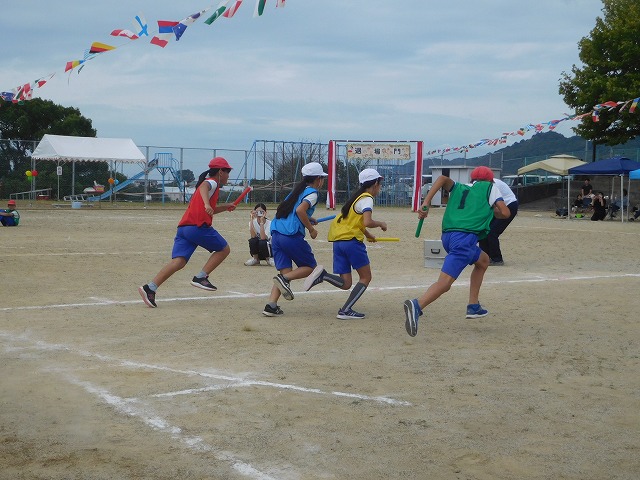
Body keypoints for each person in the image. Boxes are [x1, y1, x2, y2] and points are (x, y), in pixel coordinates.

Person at [403, 166, 510, 337]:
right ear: (490, 179)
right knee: (445, 283)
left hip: (448, 236)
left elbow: (442, 179)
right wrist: (492, 211)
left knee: (483, 261)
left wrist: (426, 202)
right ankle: (417, 305)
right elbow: (505, 212)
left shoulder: (461, 187)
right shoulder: (491, 187)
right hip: (464, 240)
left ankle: (473, 306)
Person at [138, 157, 237, 308]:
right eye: (227, 172)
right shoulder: (212, 182)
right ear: (220, 172)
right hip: (198, 227)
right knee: (224, 249)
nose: (228, 175)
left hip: (184, 228)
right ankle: (201, 277)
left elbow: (210, 210)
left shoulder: (209, 187)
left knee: (179, 262)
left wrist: (225, 207)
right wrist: (206, 203)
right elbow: (205, 187)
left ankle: (150, 288)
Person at [302, 168, 387, 319]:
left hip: (339, 242)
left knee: (346, 283)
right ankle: (346, 309)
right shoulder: (367, 198)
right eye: (380, 184)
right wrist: (381, 224)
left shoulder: (354, 199)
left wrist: (368, 235)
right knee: (366, 277)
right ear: (375, 183)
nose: (380, 188)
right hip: (352, 243)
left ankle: (324, 276)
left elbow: (356, 223)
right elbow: (367, 221)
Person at [262, 162, 327, 317]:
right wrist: (311, 229)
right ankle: (283, 278)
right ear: (318, 179)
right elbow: (299, 210)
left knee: (286, 272)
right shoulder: (312, 193)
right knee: (310, 267)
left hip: (276, 235)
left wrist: (309, 218)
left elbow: (294, 212)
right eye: (322, 178)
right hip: (290, 236)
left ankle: (271, 305)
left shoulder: (296, 192)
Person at [479, 177, 518, 265]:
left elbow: (493, 204)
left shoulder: (493, 185)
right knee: (483, 231)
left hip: (509, 206)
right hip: (498, 207)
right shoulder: (484, 184)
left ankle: (497, 259)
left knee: (492, 232)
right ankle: (485, 257)